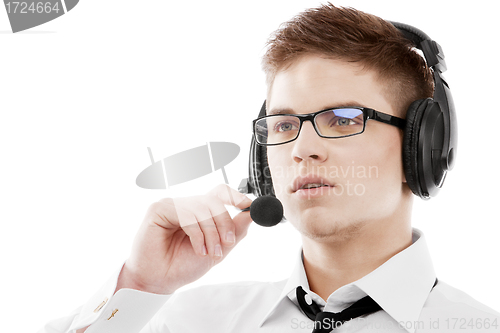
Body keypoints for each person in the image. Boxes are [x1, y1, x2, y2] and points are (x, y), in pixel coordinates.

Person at [40, 4, 499, 333]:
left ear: (422, 148)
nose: (302, 148)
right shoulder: (191, 321)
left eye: (342, 120)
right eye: (283, 124)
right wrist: (141, 284)